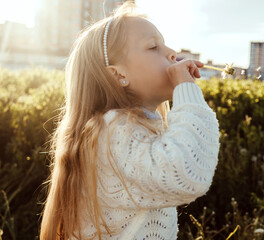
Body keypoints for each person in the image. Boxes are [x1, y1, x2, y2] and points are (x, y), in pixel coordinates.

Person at [39, 1, 220, 239]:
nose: (172, 52)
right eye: (154, 46)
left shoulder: (126, 127)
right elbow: (187, 172)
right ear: (118, 74)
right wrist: (186, 90)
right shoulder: (112, 130)